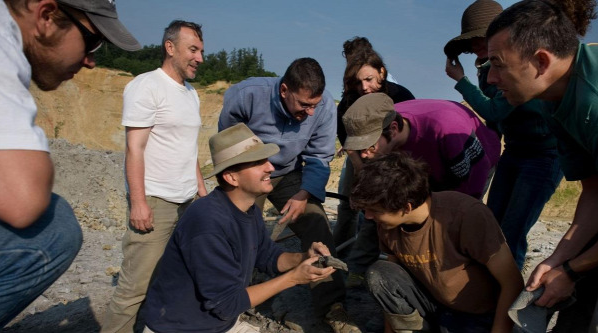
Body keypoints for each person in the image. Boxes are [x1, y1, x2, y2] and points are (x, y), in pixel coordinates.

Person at [0, 0, 140, 331]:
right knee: (54, 230)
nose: (91, 61)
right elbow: (20, 200)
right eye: (92, 41)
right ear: (47, 16)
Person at [485, 0, 598, 331]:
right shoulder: (554, 100)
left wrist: (571, 269)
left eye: (498, 65)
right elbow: (597, 190)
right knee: (577, 301)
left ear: (541, 61)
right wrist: (558, 260)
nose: (492, 78)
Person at [141, 123, 337, 333]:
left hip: (219, 323)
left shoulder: (247, 208)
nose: (270, 167)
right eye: (258, 162)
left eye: (267, 160)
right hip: (182, 328)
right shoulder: (207, 222)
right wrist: (293, 278)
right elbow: (227, 304)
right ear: (231, 177)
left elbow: (267, 256)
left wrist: (304, 258)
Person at [218, 58, 360, 333]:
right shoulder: (247, 96)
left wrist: (305, 194)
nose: (309, 113)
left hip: (289, 173)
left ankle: (332, 305)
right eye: (303, 105)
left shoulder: (323, 108)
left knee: (316, 222)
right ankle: (232, 298)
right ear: (284, 90)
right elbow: (228, 146)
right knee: (237, 227)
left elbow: (319, 157)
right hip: (249, 170)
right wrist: (243, 181)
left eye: (314, 105)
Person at [102, 20, 207, 332]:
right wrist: (138, 203)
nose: (200, 58)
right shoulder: (146, 86)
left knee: (174, 276)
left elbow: (190, 149)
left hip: (187, 201)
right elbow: (134, 148)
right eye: (193, 49)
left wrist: (202, 193)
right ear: (170, 47)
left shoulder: (192, 94)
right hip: (156, 200)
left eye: (201, 50)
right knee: (134, 288)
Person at [444, 0, 563, 269]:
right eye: (471, 42)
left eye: (480, 39)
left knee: (512, 231)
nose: (475, 46)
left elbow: (495, 110)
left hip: (544, 156)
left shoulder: (517, 63)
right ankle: (488, 291)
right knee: (493, 225)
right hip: (514, 152)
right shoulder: (486, 69)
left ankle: (505, 301)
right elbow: (495, 123)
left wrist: (461, 82)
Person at [349, 152, 523, 332]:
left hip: (477, 316)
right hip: (432, 305)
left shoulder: (466, 215)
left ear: (406, 207)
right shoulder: (387, 224)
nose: (368, 216)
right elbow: (391, 278)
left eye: (374, 210)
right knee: (379, 273)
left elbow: (512, 282)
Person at [341, 93, 501, 287]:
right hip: (419, 165)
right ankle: (374, 271)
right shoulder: (376, 125)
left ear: (393, 129)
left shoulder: (446, 129)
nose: (365, 155)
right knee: (379, 209)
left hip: (469, 165)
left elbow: (469, 190)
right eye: (359, 149)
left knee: (448, 225)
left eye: (369, 147)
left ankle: (452, 282)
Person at [334, 38, 415, 251]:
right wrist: (362, 174)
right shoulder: (349, 101)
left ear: (381, 72)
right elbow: (349, 144)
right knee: (351, 202)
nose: (364, 87)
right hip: (360, 157)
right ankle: (341, 250)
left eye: (369, 79)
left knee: (390, 204)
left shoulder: (400, 95)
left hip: (395, 157)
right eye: (358, 81)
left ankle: (389, 250)